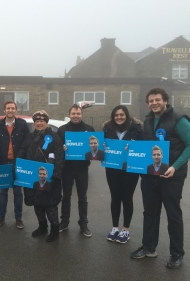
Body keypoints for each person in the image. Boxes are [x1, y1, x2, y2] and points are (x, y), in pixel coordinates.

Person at [130, 88, 190, 269]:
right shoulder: (148, 121)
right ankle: (149, 247)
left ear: (165, 101)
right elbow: (146, 146)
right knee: (150, 213)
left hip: (172, 176)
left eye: (157, 100)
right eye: (151, 100)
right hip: (150, 175)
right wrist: (131, 149)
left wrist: (174, 167)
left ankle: (177, 253)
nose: (154, 103)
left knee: (173, 215)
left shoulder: (179, 120)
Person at [17, 110, 63, 242]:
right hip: (32, 178)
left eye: (42, 121)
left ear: (46, 123)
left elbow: (59, 156)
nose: (39, 123)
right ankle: (42, 226)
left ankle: (54, 230)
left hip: (50, 178)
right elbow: (21, 151)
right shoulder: (29, 137)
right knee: (37, 203)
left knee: (50, 205)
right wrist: (18, 164)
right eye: (37, 121)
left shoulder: (54, 137)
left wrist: (56, 175)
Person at [102, 105, 143, 244]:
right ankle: (115, 228)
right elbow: (101, 147)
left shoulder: (137, 129)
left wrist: (134, 147)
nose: (119, 117)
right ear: (113, 117)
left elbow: (143, 147)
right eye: (116, 115)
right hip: (112, 170)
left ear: (127, 115)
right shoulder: (107, 129)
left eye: (122, 115)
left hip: (130, 170)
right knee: (115, 197)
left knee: (127, 198)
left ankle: (125, 229)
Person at [57, 104, 94, 237]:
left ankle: (83, 223)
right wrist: (62, 148)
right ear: (69, 114)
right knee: (66, 197)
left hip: (82, 169)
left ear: (81, 114)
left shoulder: (89, 130)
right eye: (73, 113)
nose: (76, 116)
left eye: (78, 113)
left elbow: (95, 148)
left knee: (82, 198)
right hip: (67, 169)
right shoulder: (62, 130)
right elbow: (57, 149)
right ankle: (64, 222)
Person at [0, 100, 29, 229]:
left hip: (18, 163)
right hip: (3, 162)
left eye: (12, 108)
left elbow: (27, 143)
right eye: (8, 108)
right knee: (3, 192)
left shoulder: (22, 125)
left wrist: (25, 160)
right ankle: (1, 217)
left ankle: (18, 218)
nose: (10, 110)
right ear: (4, 110)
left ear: (16, 110)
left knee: (18, 192)